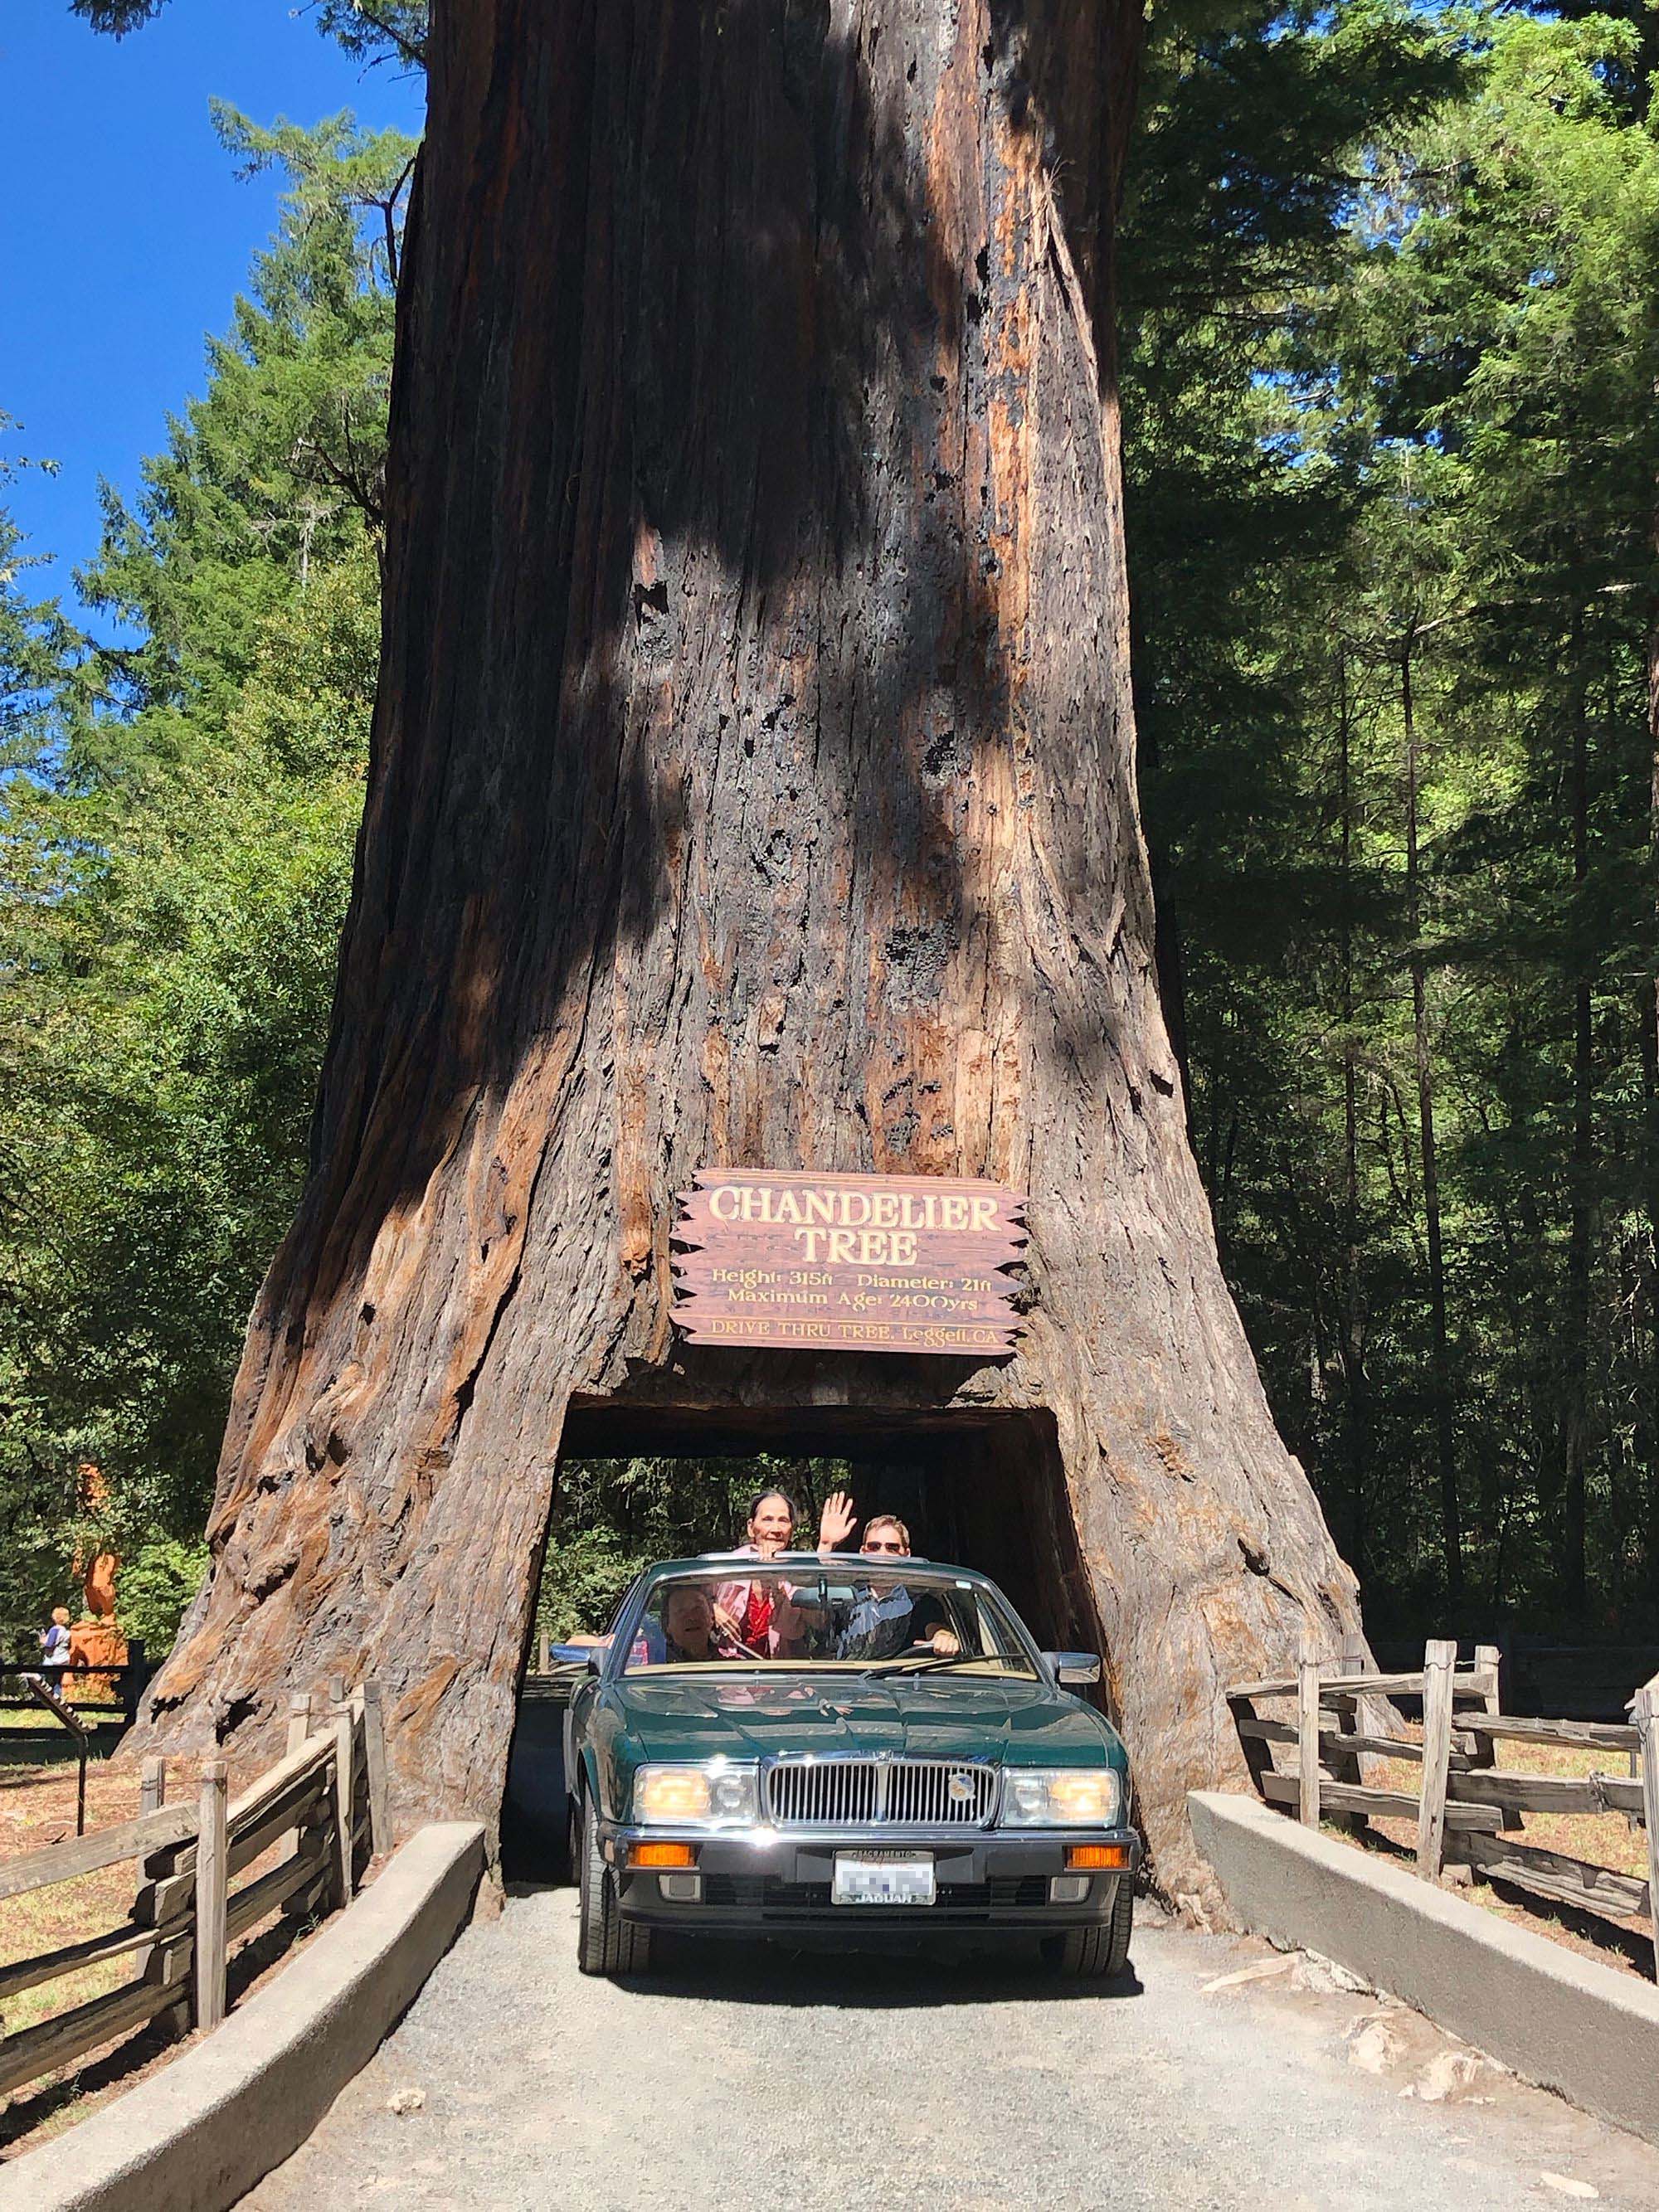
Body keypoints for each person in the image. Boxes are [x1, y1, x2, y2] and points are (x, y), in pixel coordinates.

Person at [815, 1504, 961, 1661]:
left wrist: (943, 1638)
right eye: (874, 1547)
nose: (882, 1554)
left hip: (901, 1682)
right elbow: (813, 1619)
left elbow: (936, 1628)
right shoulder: (843, 1597)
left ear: (906, 1555)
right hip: (846, 1681)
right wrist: (825, 1546)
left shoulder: (920, 1602)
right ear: (863, 1552)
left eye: (892, 1548)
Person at [713, 1489, 807, 1655]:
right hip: (726, 1670)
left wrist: (774, 1581)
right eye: (767, 1520)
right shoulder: (729, 1566)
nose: (776, 1529)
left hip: (777, 1672)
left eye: (783, 1520)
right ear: (751, 1527)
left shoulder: (796, 1574)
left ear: (791, 1530)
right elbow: (691, 1594)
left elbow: (793, 1629)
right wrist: (713, 1610)